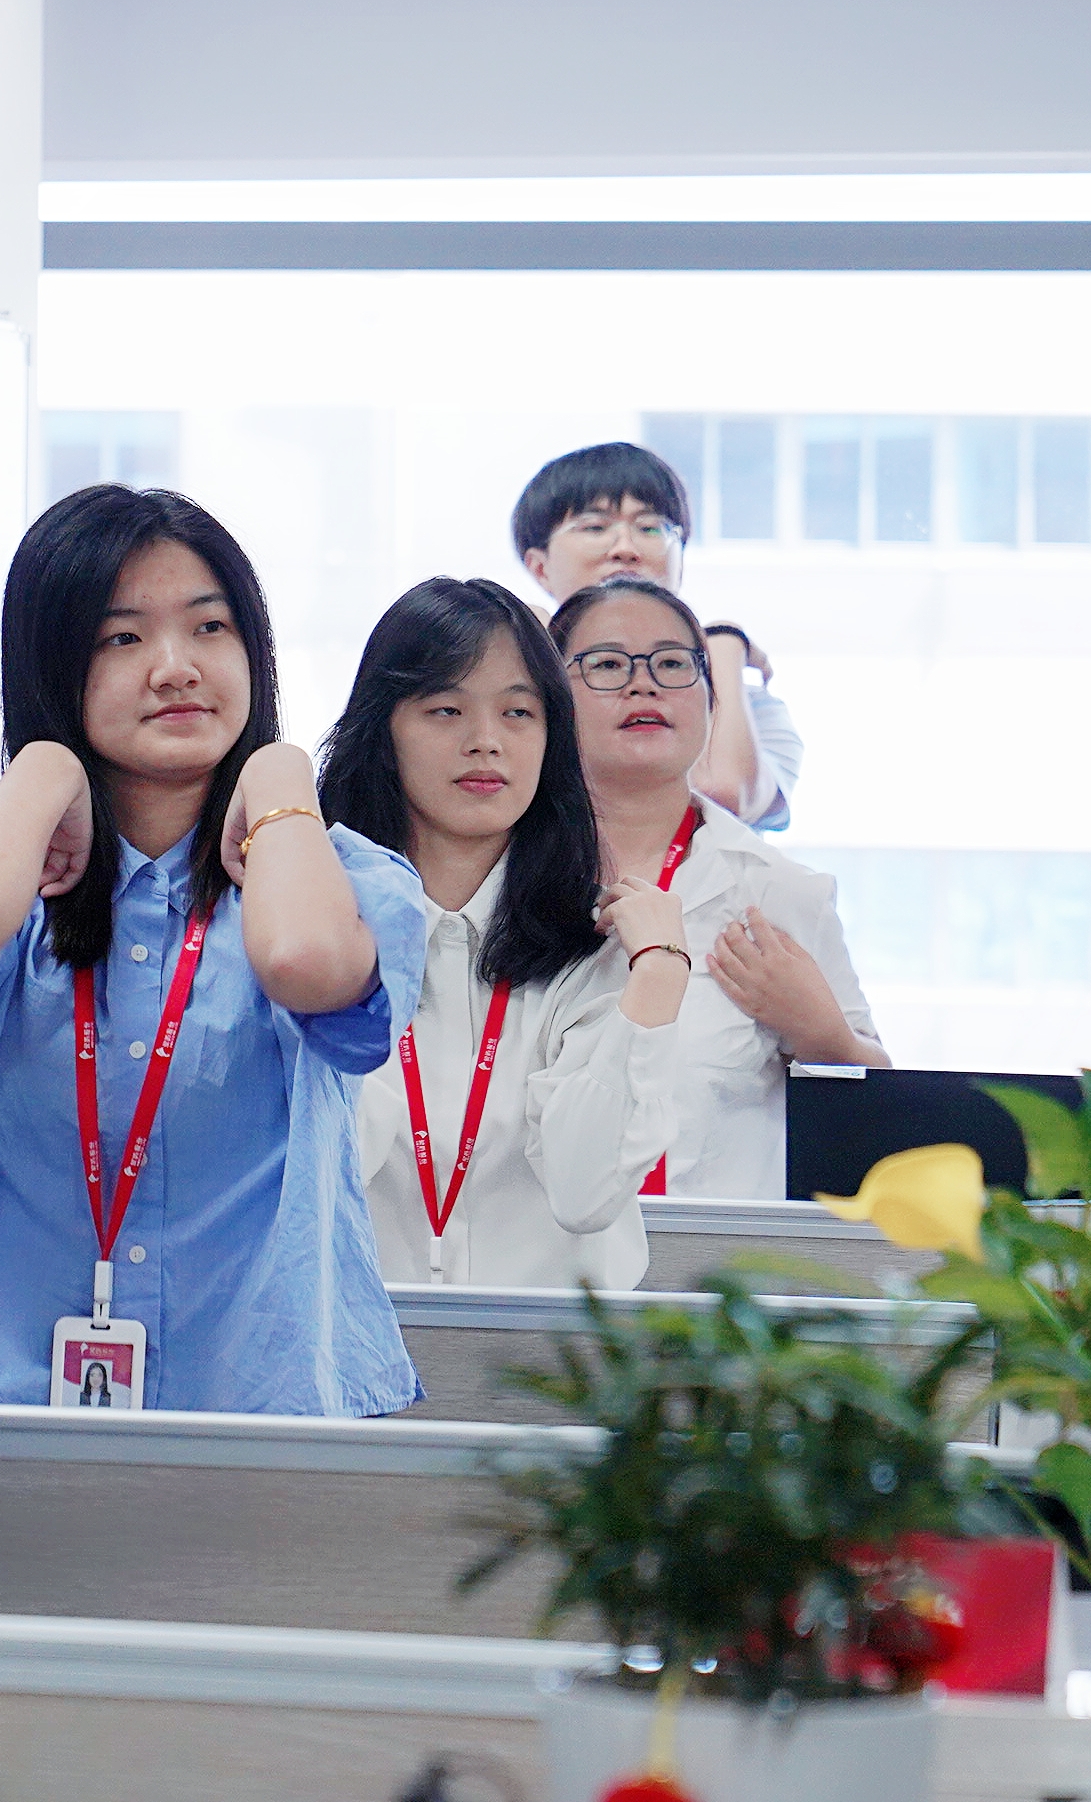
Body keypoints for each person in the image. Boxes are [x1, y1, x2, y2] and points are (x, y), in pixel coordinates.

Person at [0, 485, 428, 1416]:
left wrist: (280, 773)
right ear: (53, 662)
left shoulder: (345, 875)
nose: (176, 668)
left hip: (253, 1397)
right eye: (122, 637)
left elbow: (304, 959)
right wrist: (44, 766)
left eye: (210, 627)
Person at [320, 579, 690, 1290]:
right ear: (382, 730)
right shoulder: (324, 931)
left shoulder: (596, 944)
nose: (486, 740)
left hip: (548, 1352)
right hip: (355, 1338)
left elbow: (586, 1192)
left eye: (518, 712)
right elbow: (329, 1163)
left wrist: (661, 973)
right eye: (446, 709)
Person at [554, 575, 888, 1200]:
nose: (643, 683)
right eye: (607, 664)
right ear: (549, 699)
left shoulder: (778, 892)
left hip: (716, 1257)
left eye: (672, 663)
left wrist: (820, 1034)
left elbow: (878, 1117)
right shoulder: (504, 880)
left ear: (711, 703)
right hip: (538, 1254)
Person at [513, 441, 797, 832]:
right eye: (595, 527)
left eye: (650, 527)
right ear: (540, 567)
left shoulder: (751, 707)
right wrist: (536, 640)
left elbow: (722, 794)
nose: (626, 548)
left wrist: (722, 647)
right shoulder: (513, 684)